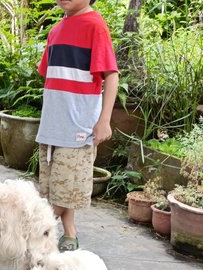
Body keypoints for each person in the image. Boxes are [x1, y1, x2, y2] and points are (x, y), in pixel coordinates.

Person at [36, 0, 119, 251]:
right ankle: (69, 232)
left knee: (63, 191)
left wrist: (104, 120)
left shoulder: (95, 26)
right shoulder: (56, 31)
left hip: (77, 127)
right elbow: (50, 77)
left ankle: (35, 232)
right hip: (52, 126)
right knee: (57, 187)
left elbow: (111, 74)